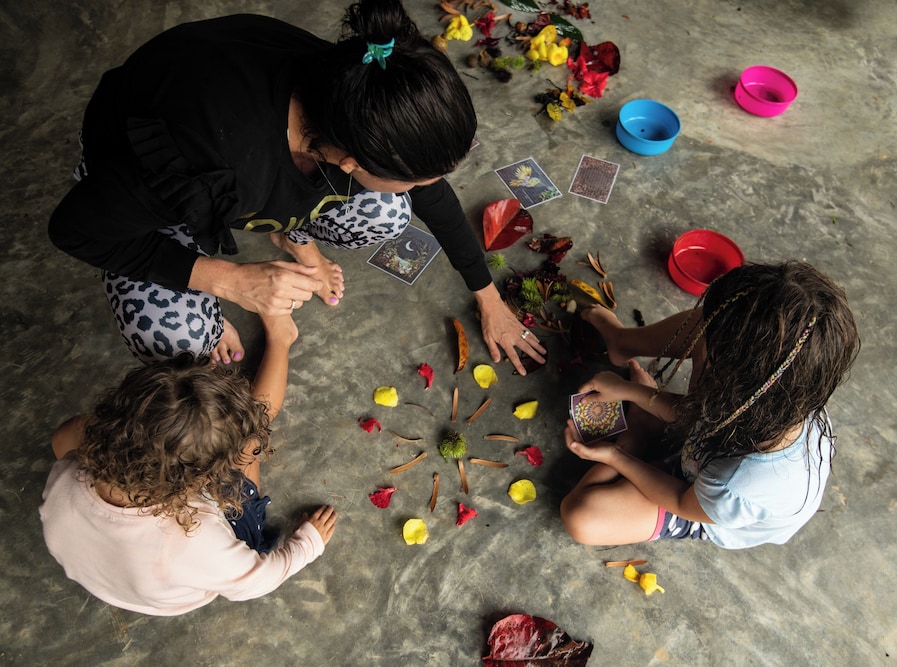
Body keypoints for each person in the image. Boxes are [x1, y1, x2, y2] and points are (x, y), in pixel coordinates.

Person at [48, 0, 546, 373]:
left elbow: (429, 196)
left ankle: (292, 236)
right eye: (413, 179)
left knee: (387, 213)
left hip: (232, 157)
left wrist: (488, 296)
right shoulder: (213, 160)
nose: (421, 189)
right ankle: (227, 277)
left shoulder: (360, 82)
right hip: (150, 170)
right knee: (178, 345)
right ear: (350, 160)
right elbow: (73, 230)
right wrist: (227, 280)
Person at [38, 312, 338, 616]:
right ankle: (281, 338)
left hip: (104, 571)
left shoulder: (75, 463)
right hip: (171, 577)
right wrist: (307, 544)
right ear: (204, 478)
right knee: (250, 440)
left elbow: (61, 441)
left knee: (231, 432)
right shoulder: (195, 541)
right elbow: (259, 580)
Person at [560, 262, 860, 549]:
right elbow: (698, 415)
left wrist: (619, 453)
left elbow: (680, 500)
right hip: (710, 453)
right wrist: (632, 391)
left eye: (707, 362)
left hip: (697, 504)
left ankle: (643, 435)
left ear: (731, 393)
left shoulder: (738, 485)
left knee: (581, 517)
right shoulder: (779, 396)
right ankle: (622, 342)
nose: (698, 356)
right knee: (717, 323)